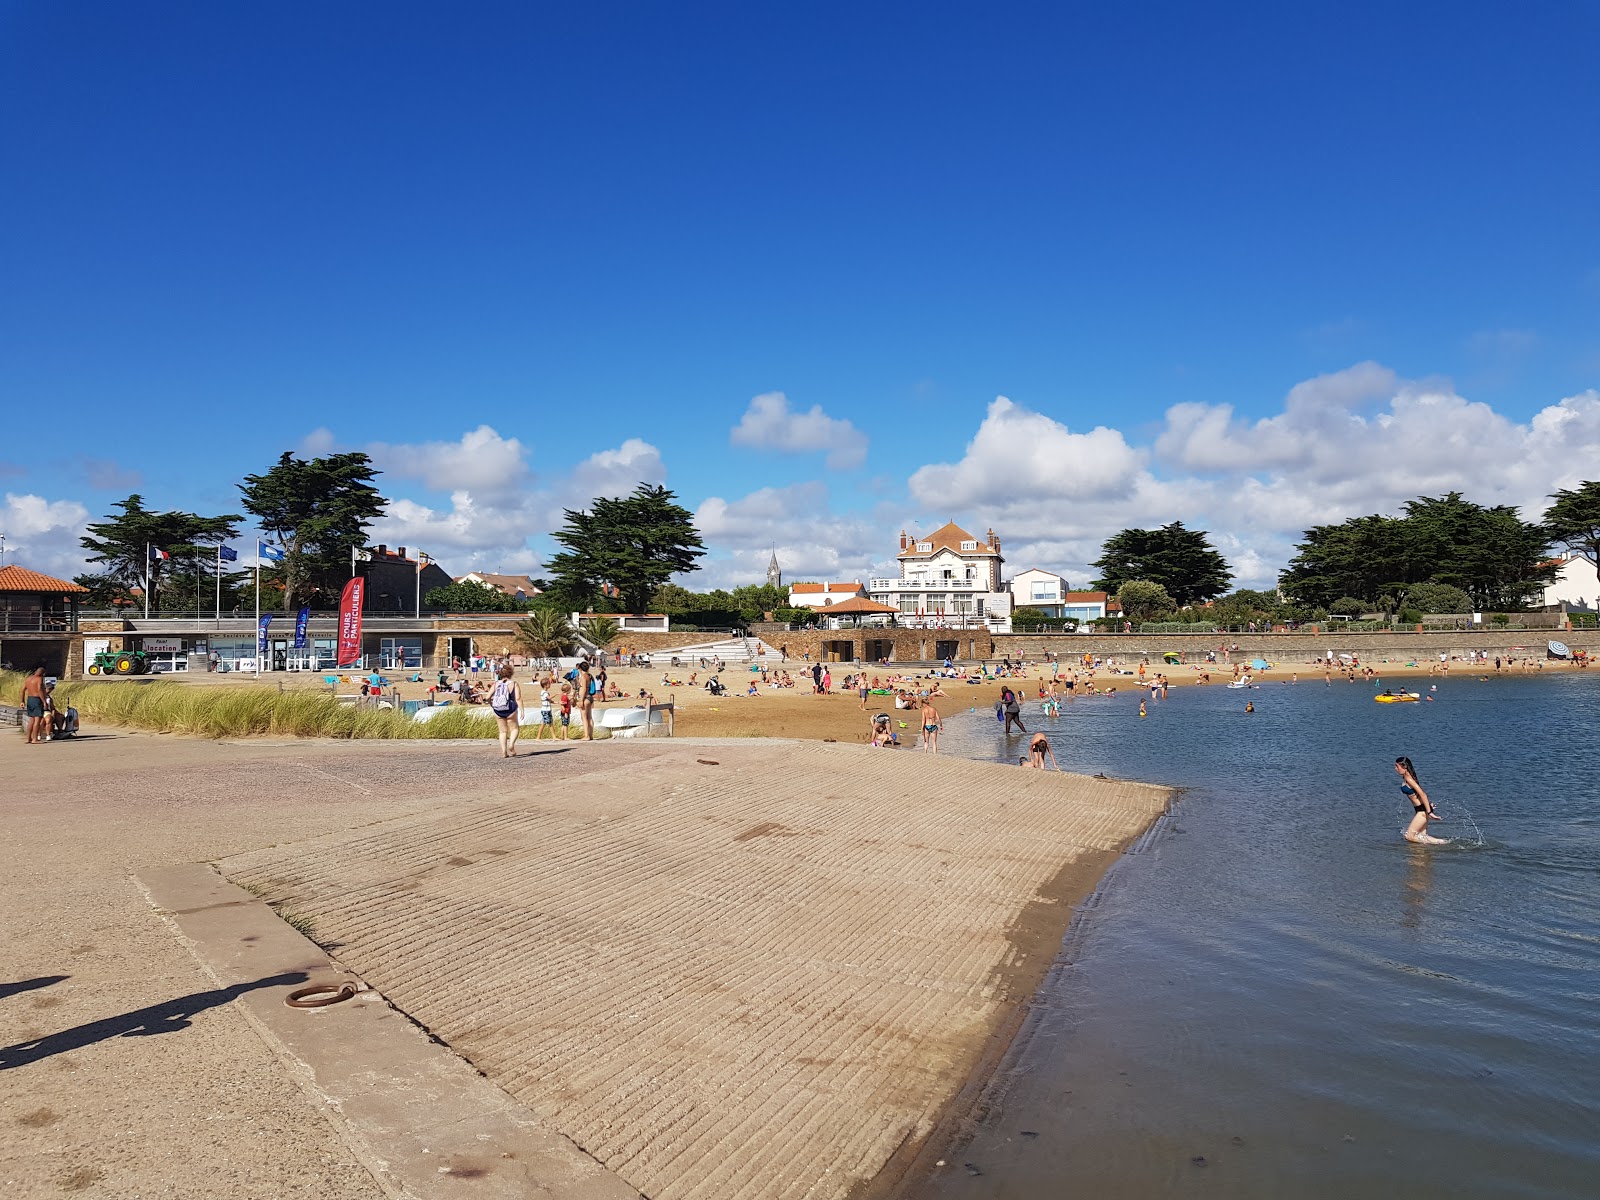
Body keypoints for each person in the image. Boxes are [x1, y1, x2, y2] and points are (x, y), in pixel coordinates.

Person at [1396, 756, 1447, 844]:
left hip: (1422, 812)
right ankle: (1423, 856)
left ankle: (1443, 843)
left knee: (1409, 836)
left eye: (1397, 766)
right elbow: (1419, 796)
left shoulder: (1409, 779)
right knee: (1421, 837)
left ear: (1404, 767)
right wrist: (1428, 806)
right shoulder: (1407, 777)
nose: (1395, 769)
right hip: (1421, 810)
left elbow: (1423, 794)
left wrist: (1429, 812)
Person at [489, 664, 522, 758]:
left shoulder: (496, 684)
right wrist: (522, 710)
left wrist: (491, 704)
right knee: (514, 728)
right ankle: (511, 744)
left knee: (502, 731)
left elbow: (487, 697)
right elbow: (518, 698)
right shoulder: (514, 684)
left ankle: (504, 751)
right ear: (511, 673)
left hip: (498, 709)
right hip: (510, 708)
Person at [22, 667, 47, 744]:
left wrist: (22, 701)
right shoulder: (39, 679)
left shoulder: (28, 679)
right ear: (43, 674)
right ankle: (35, 739)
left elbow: (22, 690)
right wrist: (44, 701)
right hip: (37, 699)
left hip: (30, 699)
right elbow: (39, 690)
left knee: (31, 720)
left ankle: (28, 738)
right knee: (37, 720)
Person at [575, 658, 597, 740]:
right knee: (589, 717)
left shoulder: (584, 676)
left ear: (580, 668)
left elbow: (584, 688)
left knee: (584, 718)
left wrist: (581, 700)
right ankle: (590, 735)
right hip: (590, 697)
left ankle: (586, 735)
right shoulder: (590, 676)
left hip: (585, 698)